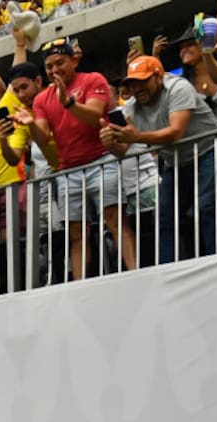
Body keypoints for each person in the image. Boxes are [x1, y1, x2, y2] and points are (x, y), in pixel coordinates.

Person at [101, 55, 217, 263]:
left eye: (143, 81)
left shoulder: (179, 88)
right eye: (132, 84)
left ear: (158, 76)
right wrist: (110, 142)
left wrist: (136, 136)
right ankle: (167, 268)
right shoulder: (131, 107)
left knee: (205, 206)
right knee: (163, 215)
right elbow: (121, 150)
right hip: (178, 162)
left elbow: (175, 132)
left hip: (212, 149)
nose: (137, 88)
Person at [29, 37, 137, 280]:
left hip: (101, 159)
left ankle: (134, 271)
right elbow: (44, 136)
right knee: (76, 233)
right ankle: (80, 283)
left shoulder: (92, 79)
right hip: (68, 172)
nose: (54, 70)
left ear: (73, 60)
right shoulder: (40, 99)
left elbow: (95, 114)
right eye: (49, 67)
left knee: (115, 219)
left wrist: (67, 101)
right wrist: (29, 127)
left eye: (59, 63)